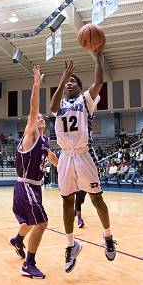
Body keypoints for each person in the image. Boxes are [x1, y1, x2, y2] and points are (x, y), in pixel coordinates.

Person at [50, 47, 116, 273]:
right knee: (67, 202)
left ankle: (108, 236)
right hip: (65, 157)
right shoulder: (59, 104)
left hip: (83, 155)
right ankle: (70, 245)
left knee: (97, 199)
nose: (69, 84)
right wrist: (61, 80)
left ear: (79, 87)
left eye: (72, 82)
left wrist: (97, 56)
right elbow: (51, 107)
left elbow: (98, 81)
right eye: (66, 82)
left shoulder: (86, 100)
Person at [10, 65, 58, 279]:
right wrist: (36, 86)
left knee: (29, 223)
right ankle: (29, 264)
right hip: (26, 184)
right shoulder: (30, 135)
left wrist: (69, 169)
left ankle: (18, 241)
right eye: (36, 117)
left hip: (36, 187)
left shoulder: (45, 142)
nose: (40, 118)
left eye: (42, 117)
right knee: (42, 222)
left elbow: (55, 160)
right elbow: (32, 110)